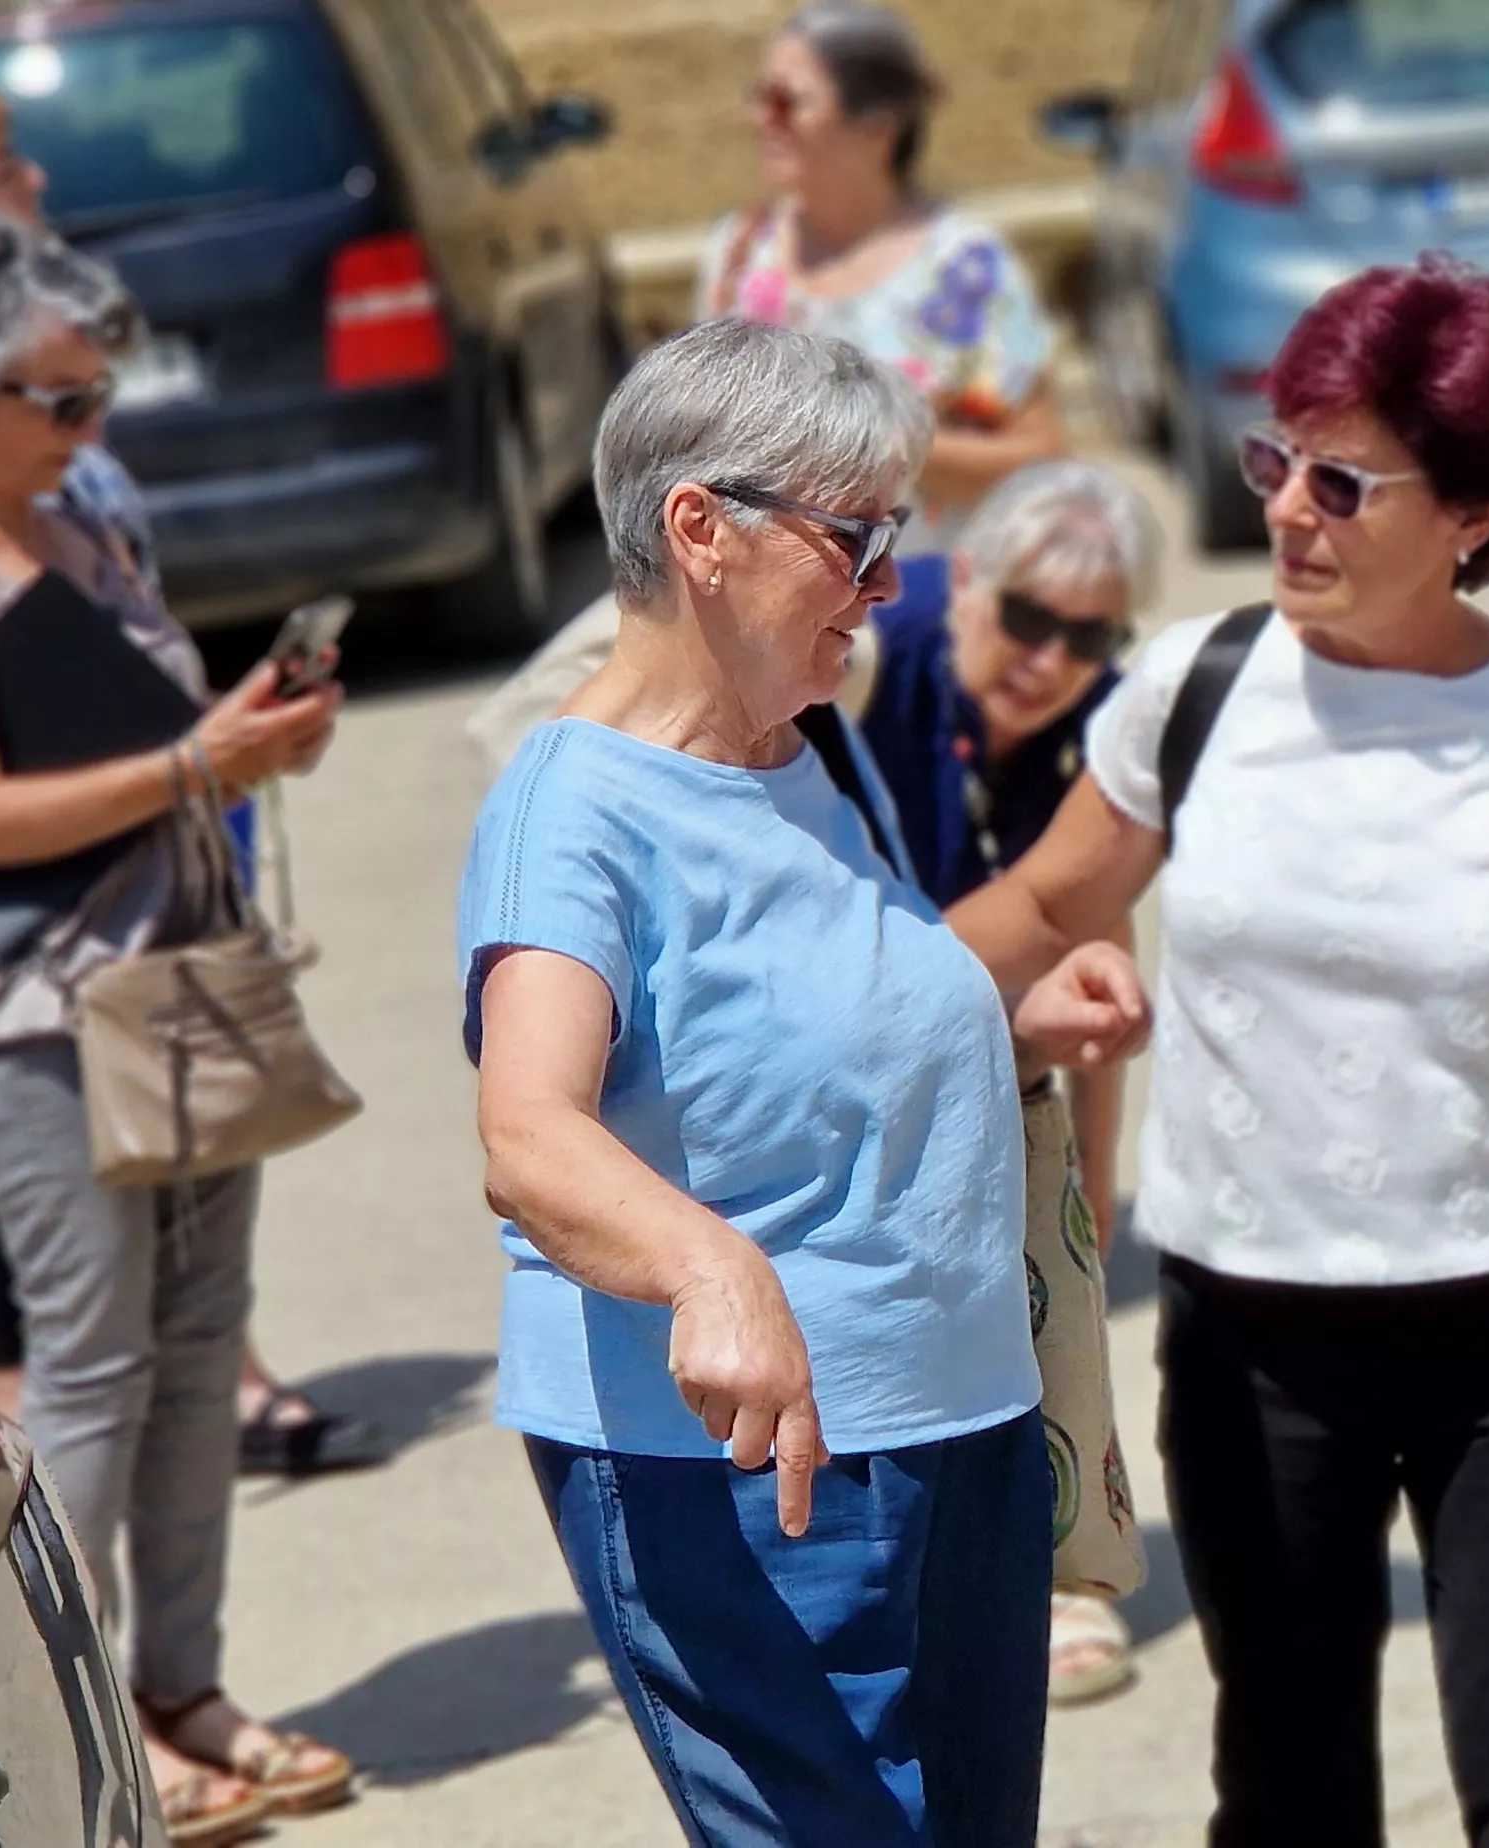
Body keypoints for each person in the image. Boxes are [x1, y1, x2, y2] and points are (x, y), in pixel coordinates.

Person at [950, 256, 1489, 1848]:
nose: (1287, 507)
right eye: (1276, 459)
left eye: (1342, 482)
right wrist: (846, 1003)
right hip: (1249, 1337)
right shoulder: (1196, 690)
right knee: (1287, 1795)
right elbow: (1046, 901)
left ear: (1475, 513)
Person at [464, 317, 1144, 1845]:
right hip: (747, 1481)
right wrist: (713, 1271)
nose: (891, 584)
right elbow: (527, 1131)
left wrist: (1013, 1021)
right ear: (700, 531)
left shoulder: (809, 752)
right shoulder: (573, 813)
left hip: (959, 1427)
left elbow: (813, 1021)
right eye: (857, 540)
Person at [0, 215, 349, 1843]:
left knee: (203, 1348)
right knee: (92, 1367)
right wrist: (206, 763)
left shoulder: (78, 525)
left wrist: (247, 732)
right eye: (58, 399)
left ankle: (181, 1687)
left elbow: (148, 741)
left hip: (177, 986)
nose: (90, 425)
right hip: (35, 1018)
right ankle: (81, 1726)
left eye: (97, 393)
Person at [0, 75, 364, 1474]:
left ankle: (198, 1371)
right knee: (18, 1089)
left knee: (131, 1087)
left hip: (122, 773)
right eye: (3, 166)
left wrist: (204, 736)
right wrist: (179, 754)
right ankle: (31, 1415)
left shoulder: (15, 346)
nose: (36, 181)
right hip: (0, 797)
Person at [837, 457, 1158, 1706]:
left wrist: (1096, 1186)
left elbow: (1097, 940)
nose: (1049, 658)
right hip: (836, 1035)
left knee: (1036, 1291)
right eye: (1027, 617)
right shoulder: (869, 649)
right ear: (966, 578)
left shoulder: (1103, 726)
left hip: (998, 1038)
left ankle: (1059, 1575)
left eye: (1088, 636)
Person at [706, 0, 1067, 536]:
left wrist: (872, 443)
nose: (762, 119)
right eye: (760, 97)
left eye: (786, 102)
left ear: (877, 126)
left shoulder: (967, 269)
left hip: (925, 582)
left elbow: (1042, 458)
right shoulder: (739, 253)